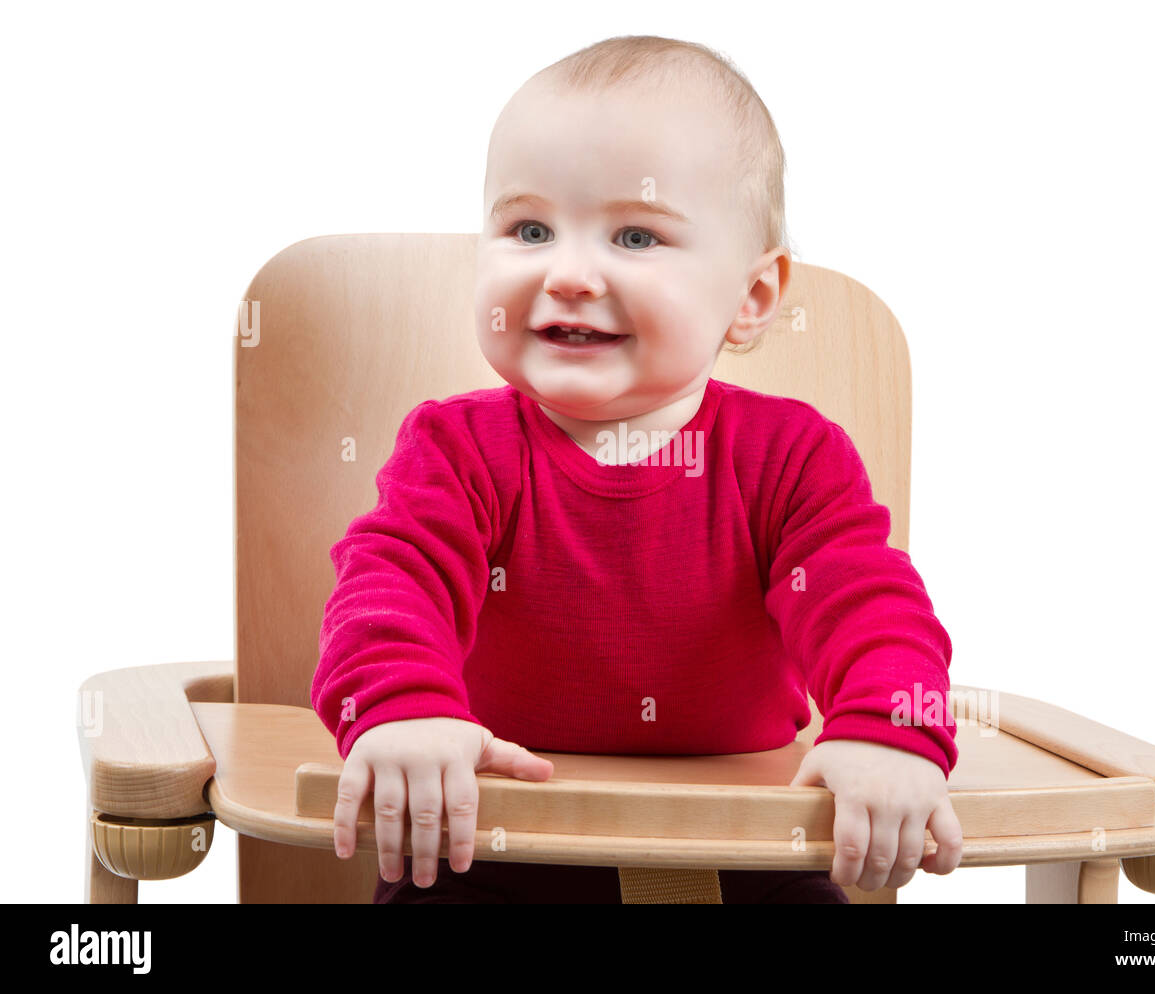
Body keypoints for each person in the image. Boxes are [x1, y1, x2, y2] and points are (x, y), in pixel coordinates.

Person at [314, 34, 963, 904]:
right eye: (529, 229)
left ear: (752, 297)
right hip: (497, 830)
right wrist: (404, 711)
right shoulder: (456, 451)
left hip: (750, 846)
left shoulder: (794, 461)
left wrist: (889, 729)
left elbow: (869, 601)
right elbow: (390, 583)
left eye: (635, 234)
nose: (571, 273)